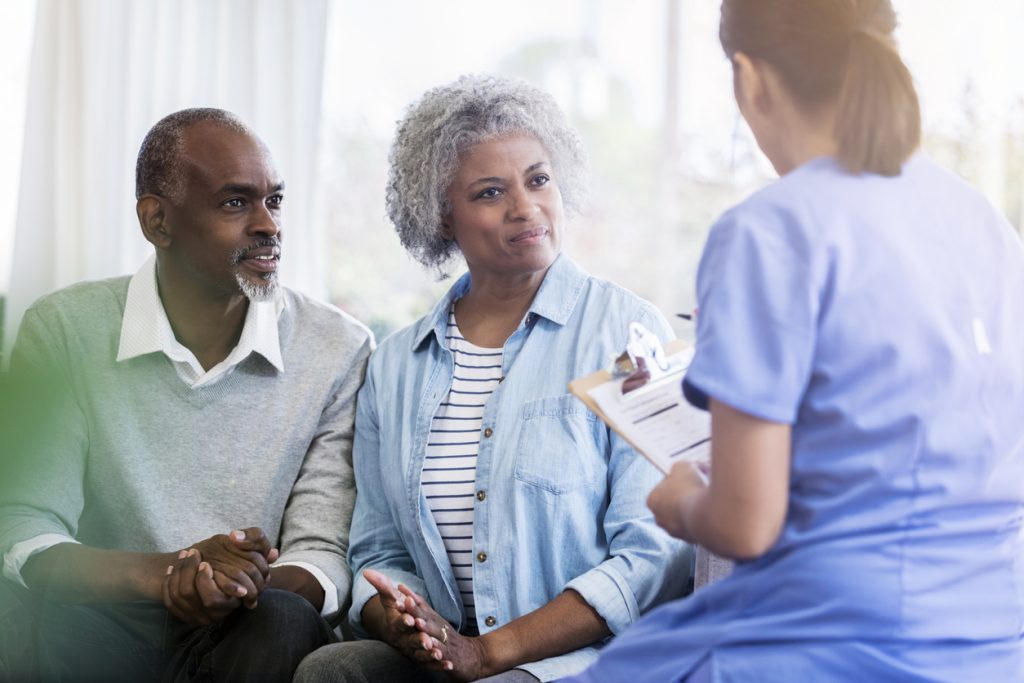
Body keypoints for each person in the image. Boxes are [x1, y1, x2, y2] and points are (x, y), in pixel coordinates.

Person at [559, 1, 1024, 682]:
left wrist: (681, 499)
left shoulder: (767, 231)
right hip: (990, 628)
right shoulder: (981, 219)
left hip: (834, 631)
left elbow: (745, 523)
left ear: (750, 79)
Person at [294, 75, 692, 683]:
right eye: (489, 192)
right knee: (335, 670)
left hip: (582, 661)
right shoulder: (395, 366)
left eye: (538, 179)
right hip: (445, 655)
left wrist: (489, 652)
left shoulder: (632, 333)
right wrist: (399, 616)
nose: (525, 207)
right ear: (441, 215)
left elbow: (653, 554)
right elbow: (379, 550)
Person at [0, 108, 374, 681]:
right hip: (106, 620)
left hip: (248, 624)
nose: (268, 225)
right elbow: (26, 529)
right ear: (157, 222)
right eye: (235, 202)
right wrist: (168, 574)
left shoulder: (338, 347)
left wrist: (227, 585)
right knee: (33, 609)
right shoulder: (67, 328)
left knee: (284, 619)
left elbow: (322, 554)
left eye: (274, 200)